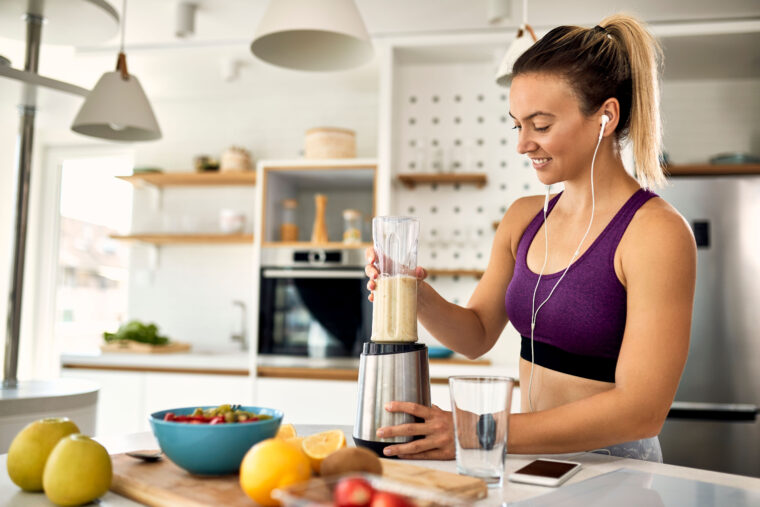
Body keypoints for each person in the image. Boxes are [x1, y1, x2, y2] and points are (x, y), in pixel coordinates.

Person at [364, 13, 696, 462]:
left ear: (606, 117)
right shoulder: (525, 218)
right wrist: (413, 292)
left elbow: (642, 411)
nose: (522, 144)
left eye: (540, 126)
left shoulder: (655, 232)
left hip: (617, 472)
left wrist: (480, 430)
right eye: (516, 125)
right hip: (531, 461)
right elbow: (477, 334)